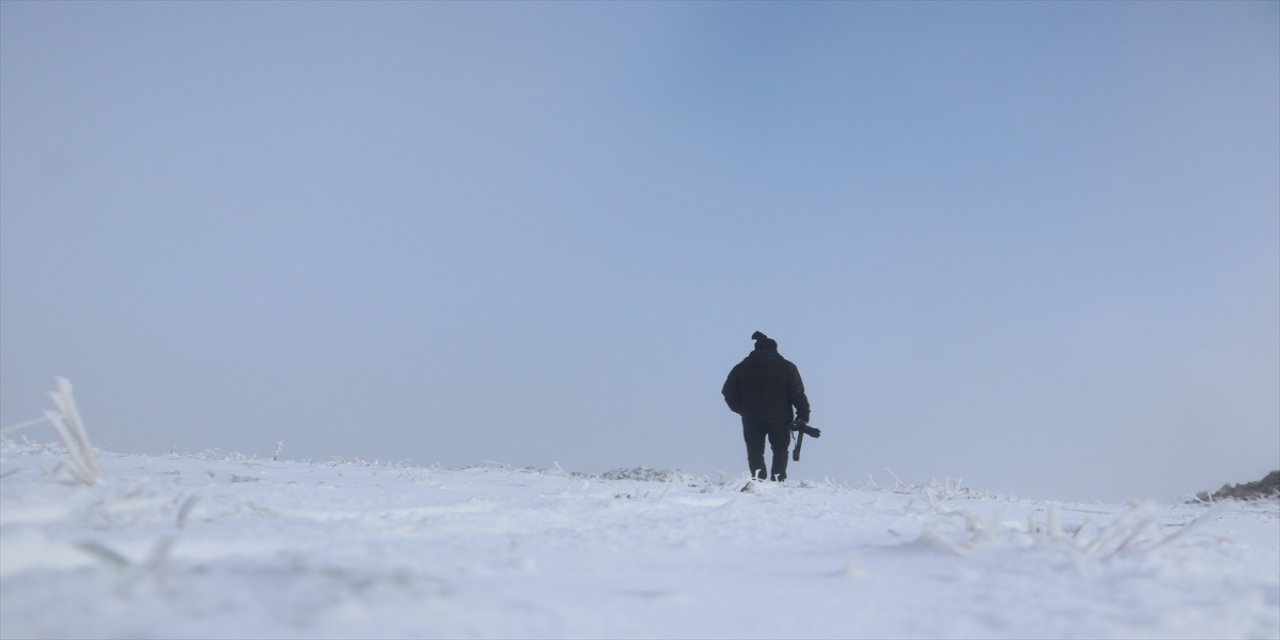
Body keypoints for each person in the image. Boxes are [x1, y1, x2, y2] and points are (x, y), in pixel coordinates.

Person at [721, 331, 811, 481]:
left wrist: (742, 409)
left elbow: (728, 391)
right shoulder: (787, 367)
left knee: (755, 451)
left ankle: (758, 482)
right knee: (780, 450)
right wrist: (803, 416)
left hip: (752, 417)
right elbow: (797, 393)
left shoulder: (741, 368)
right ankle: (778, 480)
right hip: (780, 417)